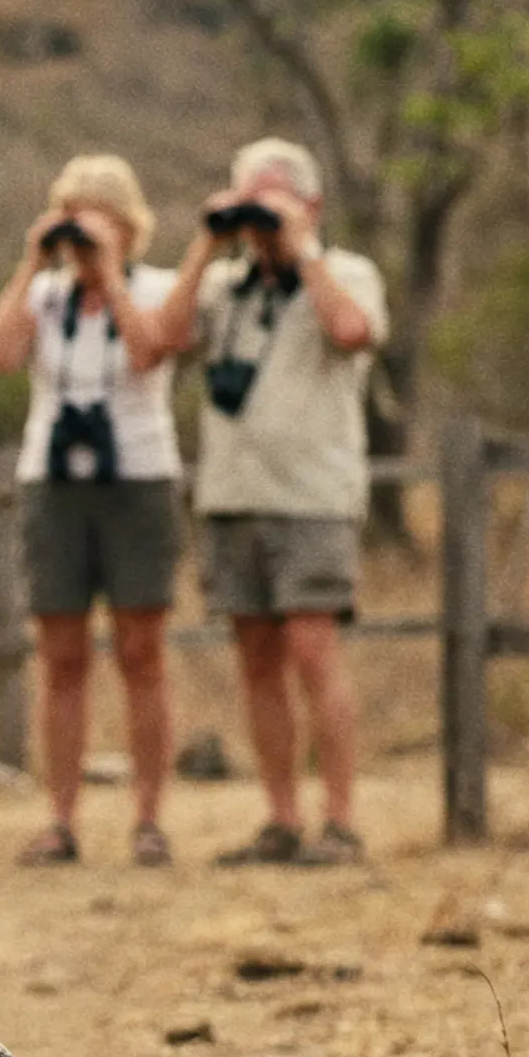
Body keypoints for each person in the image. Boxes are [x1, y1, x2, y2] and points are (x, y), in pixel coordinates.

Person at [150, 138, 388, 866]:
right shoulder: (225, 286)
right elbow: (161, 340)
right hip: (232, 495)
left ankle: (340, 821)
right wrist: (203, 243)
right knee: (256, 660)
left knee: (314, 651)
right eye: (248, 201)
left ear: (311, 205)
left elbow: (353, 333)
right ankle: (281, 819)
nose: (258, 220)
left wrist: (302, 246)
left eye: (272, 201)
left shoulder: (346, 272)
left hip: (314, 496)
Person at [0, 155, 183, 868]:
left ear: (129, 226)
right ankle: (60, 819)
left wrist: (110, 277)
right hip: (54, 484)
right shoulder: (45, 297)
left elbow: (152, 349)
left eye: (98, 217)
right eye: (72, 215)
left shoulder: (156, 287)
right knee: (61, 657)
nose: (83, 234)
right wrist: (30, 265)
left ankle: (149, 819)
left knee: (141, 651)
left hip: (139, 480)